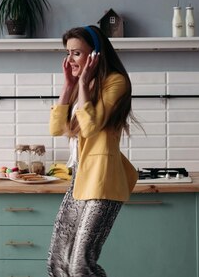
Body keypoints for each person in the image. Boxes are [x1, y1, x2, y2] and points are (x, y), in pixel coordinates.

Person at [47, 25, 139, 277]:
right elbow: (56, 129)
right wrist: (68, 87)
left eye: (77, 53)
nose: (70, 60)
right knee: (58, 263)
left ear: (96, 54)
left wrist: (84, 84)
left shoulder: (116, 82)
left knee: (80, 266)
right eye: (68, 53)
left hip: (103, 179)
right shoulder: (80, 85)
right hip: (80, 179)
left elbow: (89, 127)